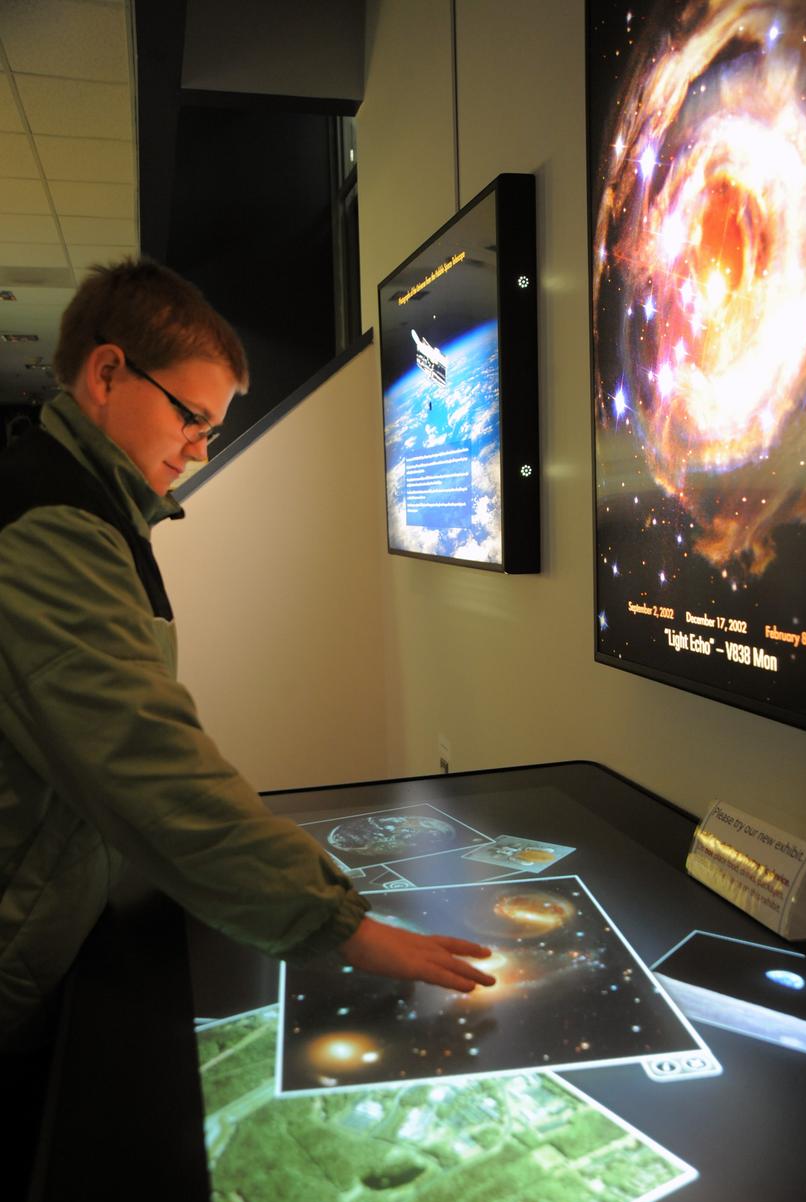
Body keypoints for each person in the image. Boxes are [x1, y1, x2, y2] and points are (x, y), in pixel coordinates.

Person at [0, 258, 494, 1058]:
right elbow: (143, 757)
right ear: (107, 373)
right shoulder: (51, 528)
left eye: (211, 430)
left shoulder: (88, 510)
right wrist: (342, 926)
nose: (198, 452)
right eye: (191, 418)